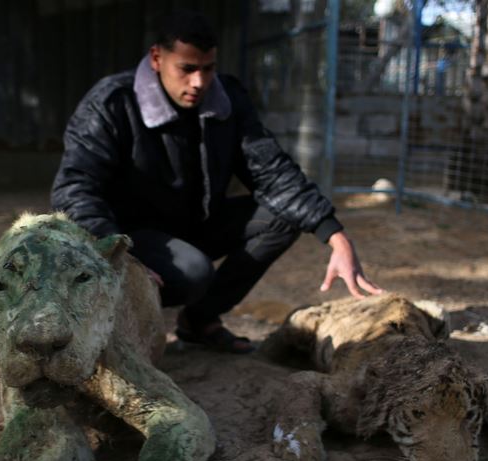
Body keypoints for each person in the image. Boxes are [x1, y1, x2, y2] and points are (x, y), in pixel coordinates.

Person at [51, 10, 382, 354]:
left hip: (194, 224)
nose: (199, 82)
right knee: (193, 271)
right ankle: (124, 327)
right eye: (187, 69)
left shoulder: (227, 100)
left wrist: (336, 236)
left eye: (208, 69)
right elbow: (74, 189)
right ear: (156, 59)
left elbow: (272, 170)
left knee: (283, 217)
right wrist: (118, 254)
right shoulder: (111, 103)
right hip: (127, 238)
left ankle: (199, 320)